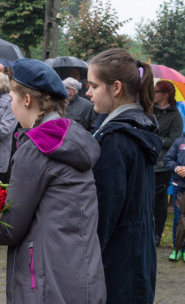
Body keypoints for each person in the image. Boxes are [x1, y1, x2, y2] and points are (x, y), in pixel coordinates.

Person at [0, 58, 106, 303]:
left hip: (45, 282)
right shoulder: (69, 137)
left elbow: (10, 229)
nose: (11, 107)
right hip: (80, 275)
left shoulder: (37, 148)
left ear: (27, 100)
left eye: (11, 99)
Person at [88, 48, 161, 303]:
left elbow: (104, 213)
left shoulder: (116, 139)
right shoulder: (140, 126)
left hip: (116, 266)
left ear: (115, 88)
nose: (88, 92)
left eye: (93, 85)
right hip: (138, 257)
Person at [153, 80, 183, 248]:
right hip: (148, 161)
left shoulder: (175, 116)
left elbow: (175, 140)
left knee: (159, 201)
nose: (154, 94)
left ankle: (157, 233)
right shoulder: (151, 111)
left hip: (162, 164)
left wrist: (156, 139)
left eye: (156, 91)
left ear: (165, 94)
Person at [163, 132, 185, 261]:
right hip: (179, 186)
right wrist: (177, 168)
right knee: (178, 217)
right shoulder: (179, 142)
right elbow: (167, 159)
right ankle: (176, 248)